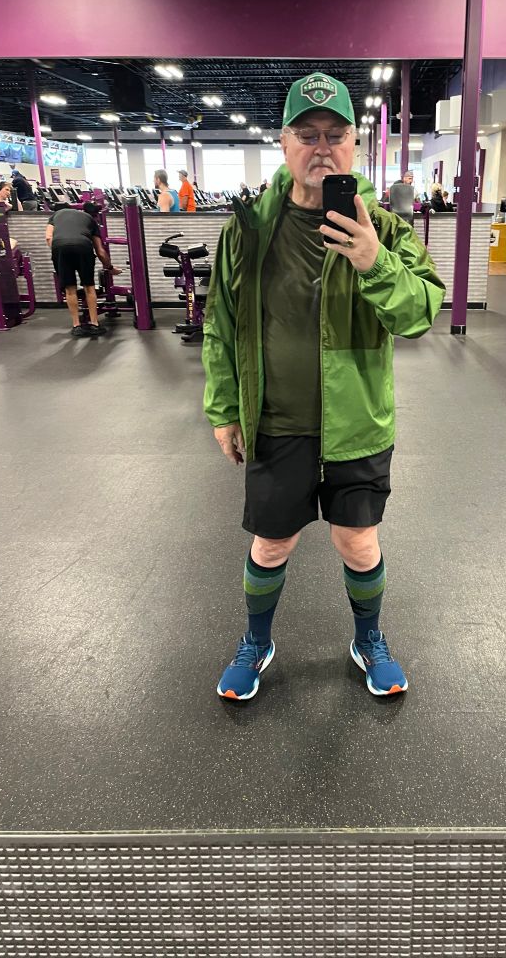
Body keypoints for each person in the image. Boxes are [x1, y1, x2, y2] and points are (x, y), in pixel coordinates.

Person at [203, 72, 445, 702]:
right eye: (306, 134)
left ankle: (369, 639)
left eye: (335, 135)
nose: (321, 148)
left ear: (354, 145)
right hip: (276, 421)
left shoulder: (385, 228)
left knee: (357, 541)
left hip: (357, 423)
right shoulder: (248, 230)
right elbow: (220, 324)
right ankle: (256, 641)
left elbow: (421, 314)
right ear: (283, 144)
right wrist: (223, 410)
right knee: (272, 542)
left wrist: (374, 261)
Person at [45, 202, 120, 338]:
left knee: (70, 289)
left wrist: (59, 250)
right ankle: (94, 324)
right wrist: (110, 268)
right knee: (89, 287)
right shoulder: (90, 219)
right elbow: (100, 251)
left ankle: (76, 326)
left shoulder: (56, 215)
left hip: (59, 247)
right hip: (83, 246)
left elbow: (48, 237)